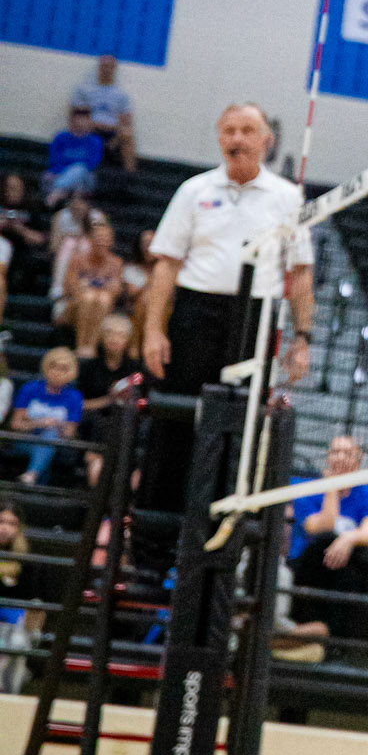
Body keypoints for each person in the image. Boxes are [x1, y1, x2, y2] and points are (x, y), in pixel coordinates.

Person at [142, 104, 312, 510]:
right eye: (229, 130)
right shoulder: (194, 190)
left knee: (242, 422)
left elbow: (301, 272)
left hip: (255, 318)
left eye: (247, 130)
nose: (237, 139)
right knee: (178, 415)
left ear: (266, 140)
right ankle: (157, 527)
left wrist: (302, 338)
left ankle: (224, 523)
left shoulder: (288, 197)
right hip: (194, 313)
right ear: (219, 138)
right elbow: (166, 264)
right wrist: (152, 330)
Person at [287, 434, 368, 636]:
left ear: (358, 461)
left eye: (347, 453)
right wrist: (331, 487)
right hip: (308, 565)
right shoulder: (306, 487)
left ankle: (334, 637)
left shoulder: (367, 493)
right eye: (336, 452)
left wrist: (348, 538)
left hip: (344, 567)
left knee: (353, 564)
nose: (341, 457)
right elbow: (322, 527)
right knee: (328, 539)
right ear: (328, 457)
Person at [77, 314, 142, 483]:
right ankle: (93, 459)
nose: (114, 339)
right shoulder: (89, 367)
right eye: (110, 334)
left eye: (120, 335)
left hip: (126, 420)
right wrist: (109, 399)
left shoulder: (136, 369)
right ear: (101, 337)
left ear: (128, 340)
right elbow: (77, 404)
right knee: (99, 421)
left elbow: (143, 403)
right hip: (93, 423)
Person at [54, 214, 126, 357]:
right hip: (74, 306)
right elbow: (69, 288)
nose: (102, 242)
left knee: (102, 298)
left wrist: (90, 286)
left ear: (111, 241)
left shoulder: (116, 262)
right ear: (90, 239)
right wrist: (98, 287)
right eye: (98, 238)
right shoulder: (77, 260)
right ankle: (81, 344)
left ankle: (91, 347)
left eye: (105, 238)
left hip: (102, 305)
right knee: (89, 297)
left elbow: (116, 290)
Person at [11, 347, 84, 485]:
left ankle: (31, 476)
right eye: (53, 367)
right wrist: (39, 423)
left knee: (50, 437)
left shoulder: (74, 397)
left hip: (57, 444)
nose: (57, 372)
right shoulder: (29, 388)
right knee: (45, 447)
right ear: (46, 367)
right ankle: (32, 478)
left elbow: (69, 433)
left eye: (63, 369)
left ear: (71, 372)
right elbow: (15, 424)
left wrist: (56, 424)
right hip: (26, 440)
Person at [74, 55, 137, 172]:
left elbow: (126, 121)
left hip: (112, 132)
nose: (106, 69)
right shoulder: (85, 90)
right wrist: (94, 124)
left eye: (110, 67)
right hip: (91, 129)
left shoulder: (121, 95)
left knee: (127, 134)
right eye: (104, 66)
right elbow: (78, 115)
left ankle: (130, 175)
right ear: (99, 67)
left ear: (114, 69)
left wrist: (112, 129)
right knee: (81, 123)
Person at [0, 500, 32, 693]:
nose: (5, 528)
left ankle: (9, 693)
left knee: (19, 642)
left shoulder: (26, 558)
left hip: (12, 619)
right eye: (1, 521)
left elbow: (29, 595)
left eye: (12, 523)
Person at [0, 173, 49, 298]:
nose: (12, 191)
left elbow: (40, 239)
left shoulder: (32, 209)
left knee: (32, 261)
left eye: (16, 188)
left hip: (23, 252)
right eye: (9, 187)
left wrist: (19, 229)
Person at [44, 104, 104, 205]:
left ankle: (58, 191)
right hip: (59, 174)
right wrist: (68, 172)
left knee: (79, 169)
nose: (80, 123)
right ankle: (66, 195)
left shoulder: (95, 141)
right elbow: (54, 160)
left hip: (85, 176)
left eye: (84, 120)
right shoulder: (60, 137)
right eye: (78, 120)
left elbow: (91, 164)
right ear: (71, 121)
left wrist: (72, 168)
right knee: (73, 182)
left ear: (90, 122)